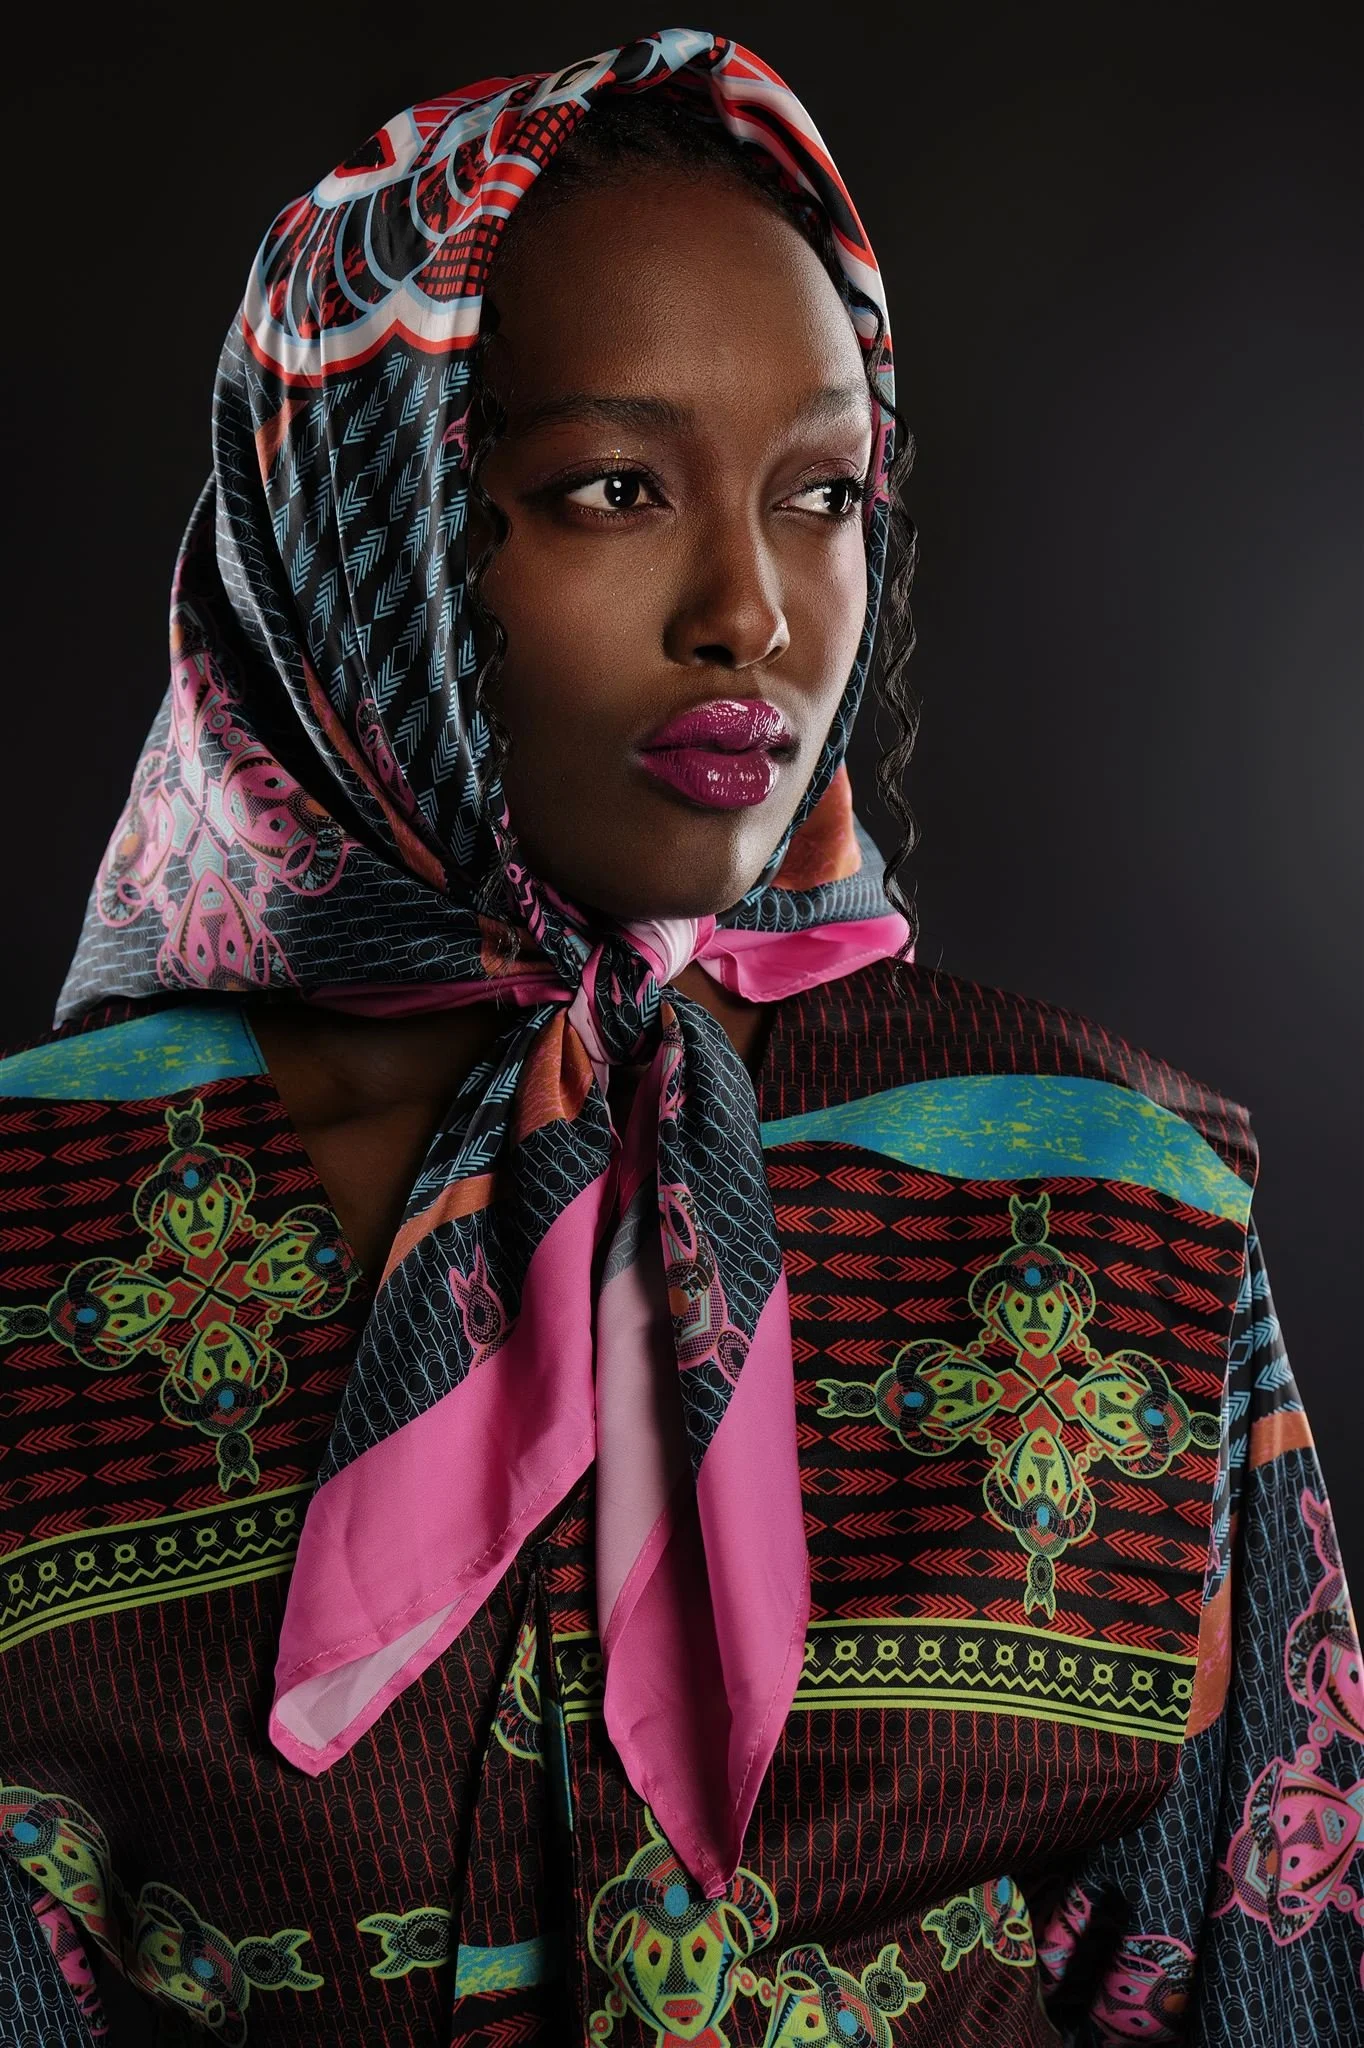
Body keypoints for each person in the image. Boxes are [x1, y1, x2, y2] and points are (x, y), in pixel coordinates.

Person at [0, 27, 1357, 2048]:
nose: (750, 610)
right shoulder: (44, 1220)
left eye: (819, 491)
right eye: (611, 488)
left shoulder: (1117, 1206)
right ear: (365, 532)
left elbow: (1273, 1961)